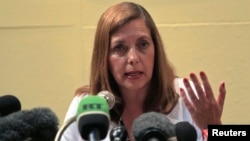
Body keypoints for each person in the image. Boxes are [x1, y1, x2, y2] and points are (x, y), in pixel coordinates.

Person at [60, 1, 226, 141]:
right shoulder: (89, 106)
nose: (133, 58)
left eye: (143, 44)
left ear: (156, 49)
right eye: (119, 47)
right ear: (104, 58)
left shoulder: (189, 96)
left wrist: (214, 128)